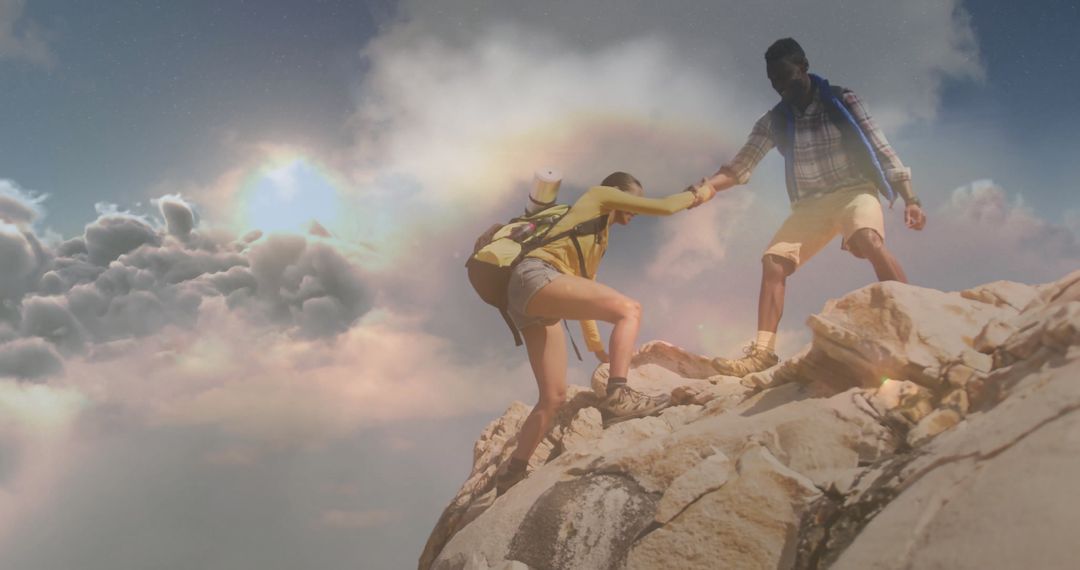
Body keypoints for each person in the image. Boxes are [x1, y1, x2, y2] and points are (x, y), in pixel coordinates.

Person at [697, 37, 927, 377]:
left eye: (785, 78)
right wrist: (705, 188)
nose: (780, 88)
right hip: (811, 206)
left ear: (803, 67)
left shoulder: (842, 100)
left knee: (868, 240)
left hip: (854, 191)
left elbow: (881, 147)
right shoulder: (774, 120)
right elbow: (740, 167)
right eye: (773, 82)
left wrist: (910, 199)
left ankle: (916, 317)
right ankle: (762, 353)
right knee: (774, 261)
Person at [495, 171, 716, 494]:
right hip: (536, 276)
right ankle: (618, 395)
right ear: (617, 193)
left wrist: (598, 348)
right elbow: (667, 207)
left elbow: (587, 293)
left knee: (553, 396)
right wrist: (702, 193)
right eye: (633, 202)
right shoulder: (597, 196)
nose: (636, 210)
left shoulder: (598, 239)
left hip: (531, 298)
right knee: (630, 309)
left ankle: (512, 472)